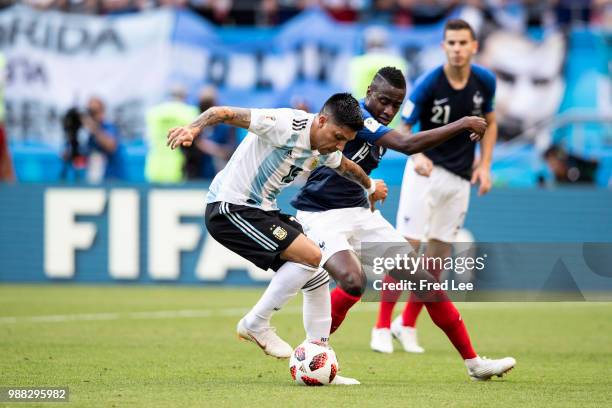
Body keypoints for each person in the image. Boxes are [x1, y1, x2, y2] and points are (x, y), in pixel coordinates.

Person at [291, 65, 514, 381]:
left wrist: (367, 188)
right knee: (354, 282)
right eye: (383, 101)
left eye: (396, 104)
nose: (389, 110)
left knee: (424, 281)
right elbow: (408, 145)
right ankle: (314, 356)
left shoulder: (376, 121)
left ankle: (474, 363)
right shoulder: (356, 115)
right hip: (322, 216)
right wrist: (462, 123)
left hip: (359, 214)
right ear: (369, 93)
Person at [166, 93, 386, 385]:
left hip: (262, 209)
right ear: (321, 121)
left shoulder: (325, 147)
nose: (340, 145)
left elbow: (348, 167)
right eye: (337, 136)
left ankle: (319, 359)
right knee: (311, 256)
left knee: (317, 274)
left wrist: (370, 186)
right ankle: (256, 323)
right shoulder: (285, 123)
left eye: (346, 140)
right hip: (230, 206)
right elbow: (224, 112)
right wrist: (193, 128)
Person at [372, 19, 499, 358]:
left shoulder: (485, 81)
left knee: (437, 259)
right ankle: (382, 326)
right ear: (444, 47)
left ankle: (407, 324)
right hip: (425, 174)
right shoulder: (430, 83)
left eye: (463, 43)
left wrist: (485, 165)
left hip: (459, 178)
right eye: (451, 43)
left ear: (473, 46)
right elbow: (405, 124)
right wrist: (419, 157)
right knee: (405, 252)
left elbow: (492, 120)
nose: (457, 48)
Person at [145, 85, 199, 183]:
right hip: (176, 164)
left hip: (154, 164)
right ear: (184, 97)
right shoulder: (189, 112)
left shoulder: (154, 112)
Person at [82, 97, 121, 183]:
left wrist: (94, 128)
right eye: (90, 112)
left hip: (111, 180)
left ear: (102, 112)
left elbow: (111, 145)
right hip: (92, 180)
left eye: (95, 112)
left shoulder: (108, 127)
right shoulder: (86, 133)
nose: (92, 115)